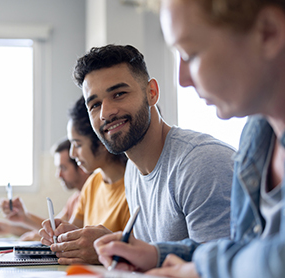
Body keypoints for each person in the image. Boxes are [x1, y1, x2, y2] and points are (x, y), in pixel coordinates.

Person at [95, 1, 285, 277]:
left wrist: (200, 269)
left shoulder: (201, 158)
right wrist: (157, 255)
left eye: (191, 54)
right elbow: (242, 249)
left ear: (268, 32)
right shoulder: (257, 139)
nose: (183, 79)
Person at [72, 43, 235, 268]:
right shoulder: (132, 170)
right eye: (95, 104)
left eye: (119, 94)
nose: (106, 113)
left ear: (152, 93)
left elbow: (218, 269)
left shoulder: (200, 163)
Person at [39, 96, 130, 264]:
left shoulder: (133, 189)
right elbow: (74, 230)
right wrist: (60, 234)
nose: (73, 154)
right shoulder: (93, 183)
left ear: (103, 143)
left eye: (78, 144)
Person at [0, 138, 90, 241]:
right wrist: (14, 224)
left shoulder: (91, 196)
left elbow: (63, 235)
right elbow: (52, 228)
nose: (58, 175)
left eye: (63, 168)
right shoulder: (74, 199)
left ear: (81, 166)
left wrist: (32, 233)